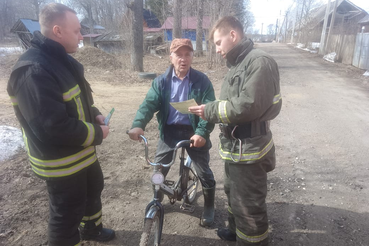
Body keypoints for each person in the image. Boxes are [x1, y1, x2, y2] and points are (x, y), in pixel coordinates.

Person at [7, 3, 115, 245]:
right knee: (66, 215)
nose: (81, 36)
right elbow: (51, 127)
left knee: (93, 190)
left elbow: (78, 101)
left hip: (82, 153)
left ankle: (92, 229)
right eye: (76, 31)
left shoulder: (61, 60)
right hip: (60, 163)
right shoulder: (33, 70)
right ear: (57, 31)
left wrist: (95, 113)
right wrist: (97, 133)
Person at [189, 16, 282, 246]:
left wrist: (209, 110)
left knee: (249, 204)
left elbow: (247, 106)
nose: (217, 49)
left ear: (233, 35)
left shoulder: (258, 62)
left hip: (250, 149)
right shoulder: (237, 64)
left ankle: (252, 241)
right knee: (233, 193)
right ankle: (235, 230)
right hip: (236, 148)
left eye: (219, 42)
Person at [128, 38, 216, 227]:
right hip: (170, 132)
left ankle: (209, 206)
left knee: (204, 172)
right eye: (178, 55)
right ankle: (157, 197)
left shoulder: (202, 81)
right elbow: (148, 104)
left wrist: (201, 132)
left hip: (195, 132)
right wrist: (138, 124)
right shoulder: (161, 82)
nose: (183, 59)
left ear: (192, 57)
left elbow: (209, 110)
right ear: (171, 57)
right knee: (159, 168)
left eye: (187, 54)